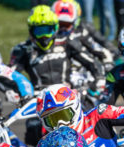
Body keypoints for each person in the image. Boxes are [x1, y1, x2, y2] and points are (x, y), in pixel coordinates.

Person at [10, 4, 104, 138]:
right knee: (33, 134)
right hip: (40, 103)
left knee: (90, 124)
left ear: (55, 28)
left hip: (68, 98)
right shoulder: (22, 50)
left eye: (47, 29)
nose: (44, 36)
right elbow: (9, 76)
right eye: (39, 30)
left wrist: (96, 85)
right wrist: (15, 92)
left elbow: (94, 64)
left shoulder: (67, 42)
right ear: (31, 30)